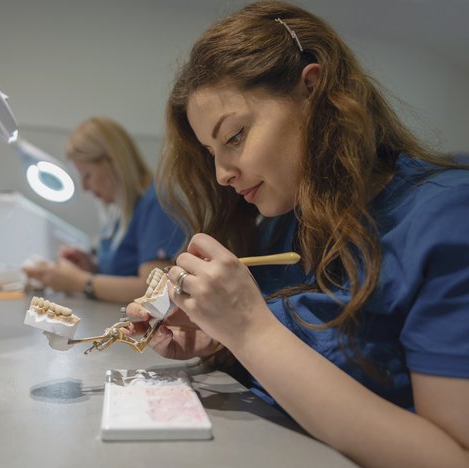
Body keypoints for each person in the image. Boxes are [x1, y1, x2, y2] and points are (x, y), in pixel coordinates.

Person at [124, 2, 469, 466]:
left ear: (312, 89)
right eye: (210, 152)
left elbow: (451, 456)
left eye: (234, 137)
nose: (222, 174)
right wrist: (218, 337)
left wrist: (248, 329)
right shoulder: (288, 219)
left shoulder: (446, 215)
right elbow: (295, 359)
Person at [23, 116, 184, 303]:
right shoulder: (122, 212)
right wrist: (91, 267)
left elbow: (154, 291)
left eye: (87, 175)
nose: (84, 187)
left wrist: (79, 282)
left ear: (111, 161)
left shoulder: (156, 203)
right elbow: (125, 271)